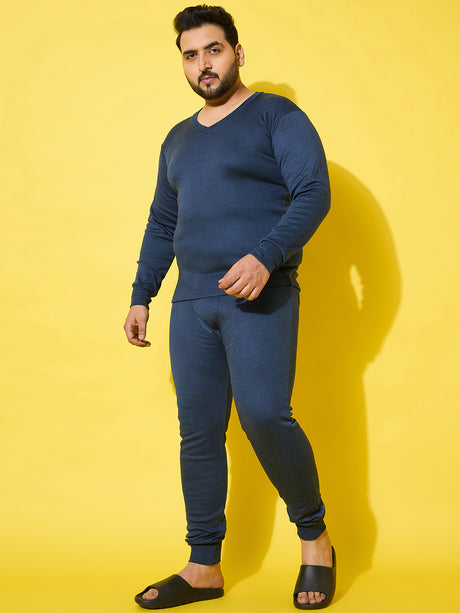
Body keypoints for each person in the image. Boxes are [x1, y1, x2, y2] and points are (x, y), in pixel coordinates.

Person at [124, 5, 336, 610]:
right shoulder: (177, 139)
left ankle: (315, 538)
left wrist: (266, 257)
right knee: (198, 432)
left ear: (238, 53)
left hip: (257, 294)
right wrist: (142, 294)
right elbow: (162, 222)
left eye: (213, 50)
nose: (203, 65)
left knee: (265, 416)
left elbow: (314, 192)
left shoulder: (277, 115)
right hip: (191, 301)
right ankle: (203, 567)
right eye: (190, 55)